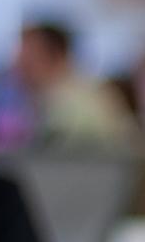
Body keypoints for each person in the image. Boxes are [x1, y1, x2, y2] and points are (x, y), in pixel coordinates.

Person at [12, 21, 135, 149]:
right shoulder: (52, 100)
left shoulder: (75, 107)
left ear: (57, 55)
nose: (17, 66)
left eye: (28, 60)